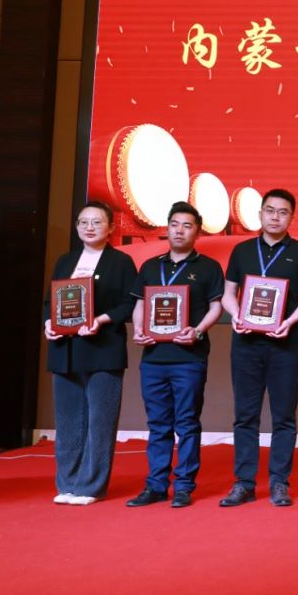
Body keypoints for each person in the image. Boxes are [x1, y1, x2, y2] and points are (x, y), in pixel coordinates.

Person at [218, 188, 298, 507]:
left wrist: (289, 321)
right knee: (245, 416)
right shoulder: (242, 250)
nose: (275, 217)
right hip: (246, 344)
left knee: (284, 416)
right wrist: (236, 315)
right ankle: (244, 483)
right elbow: (228, 294)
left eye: (283, 212)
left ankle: (279, 482)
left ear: (292, 217)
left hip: (284, 344)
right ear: (260, 214)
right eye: (270, 210)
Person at [126, 201, 224, 508]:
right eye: (174, 224)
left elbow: (216, 307)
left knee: (187, 423)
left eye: (187, 225)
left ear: (197, 232)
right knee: (158, 424)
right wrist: (138, 329)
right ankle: (156, 485)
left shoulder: (208, 268)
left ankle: (183, 486)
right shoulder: (150, 267)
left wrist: (197, 331)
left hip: (189, 358)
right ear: (166, 228)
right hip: (153, 358)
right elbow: (140, 304)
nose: (179, 230)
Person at [42, 200, 138, 504]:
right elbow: (50, 302)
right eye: (83, 222)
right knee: (68, 421)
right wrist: (48, 323)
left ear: (110, 228)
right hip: (65, 350)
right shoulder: (65, 261)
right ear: (77, 227)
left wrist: (101, 319)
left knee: (100, 422)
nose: (89, 227)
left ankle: (90, 487)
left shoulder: (121, 262)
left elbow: (130, 303)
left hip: (102, 349)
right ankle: (67, 484)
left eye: (97, 222)